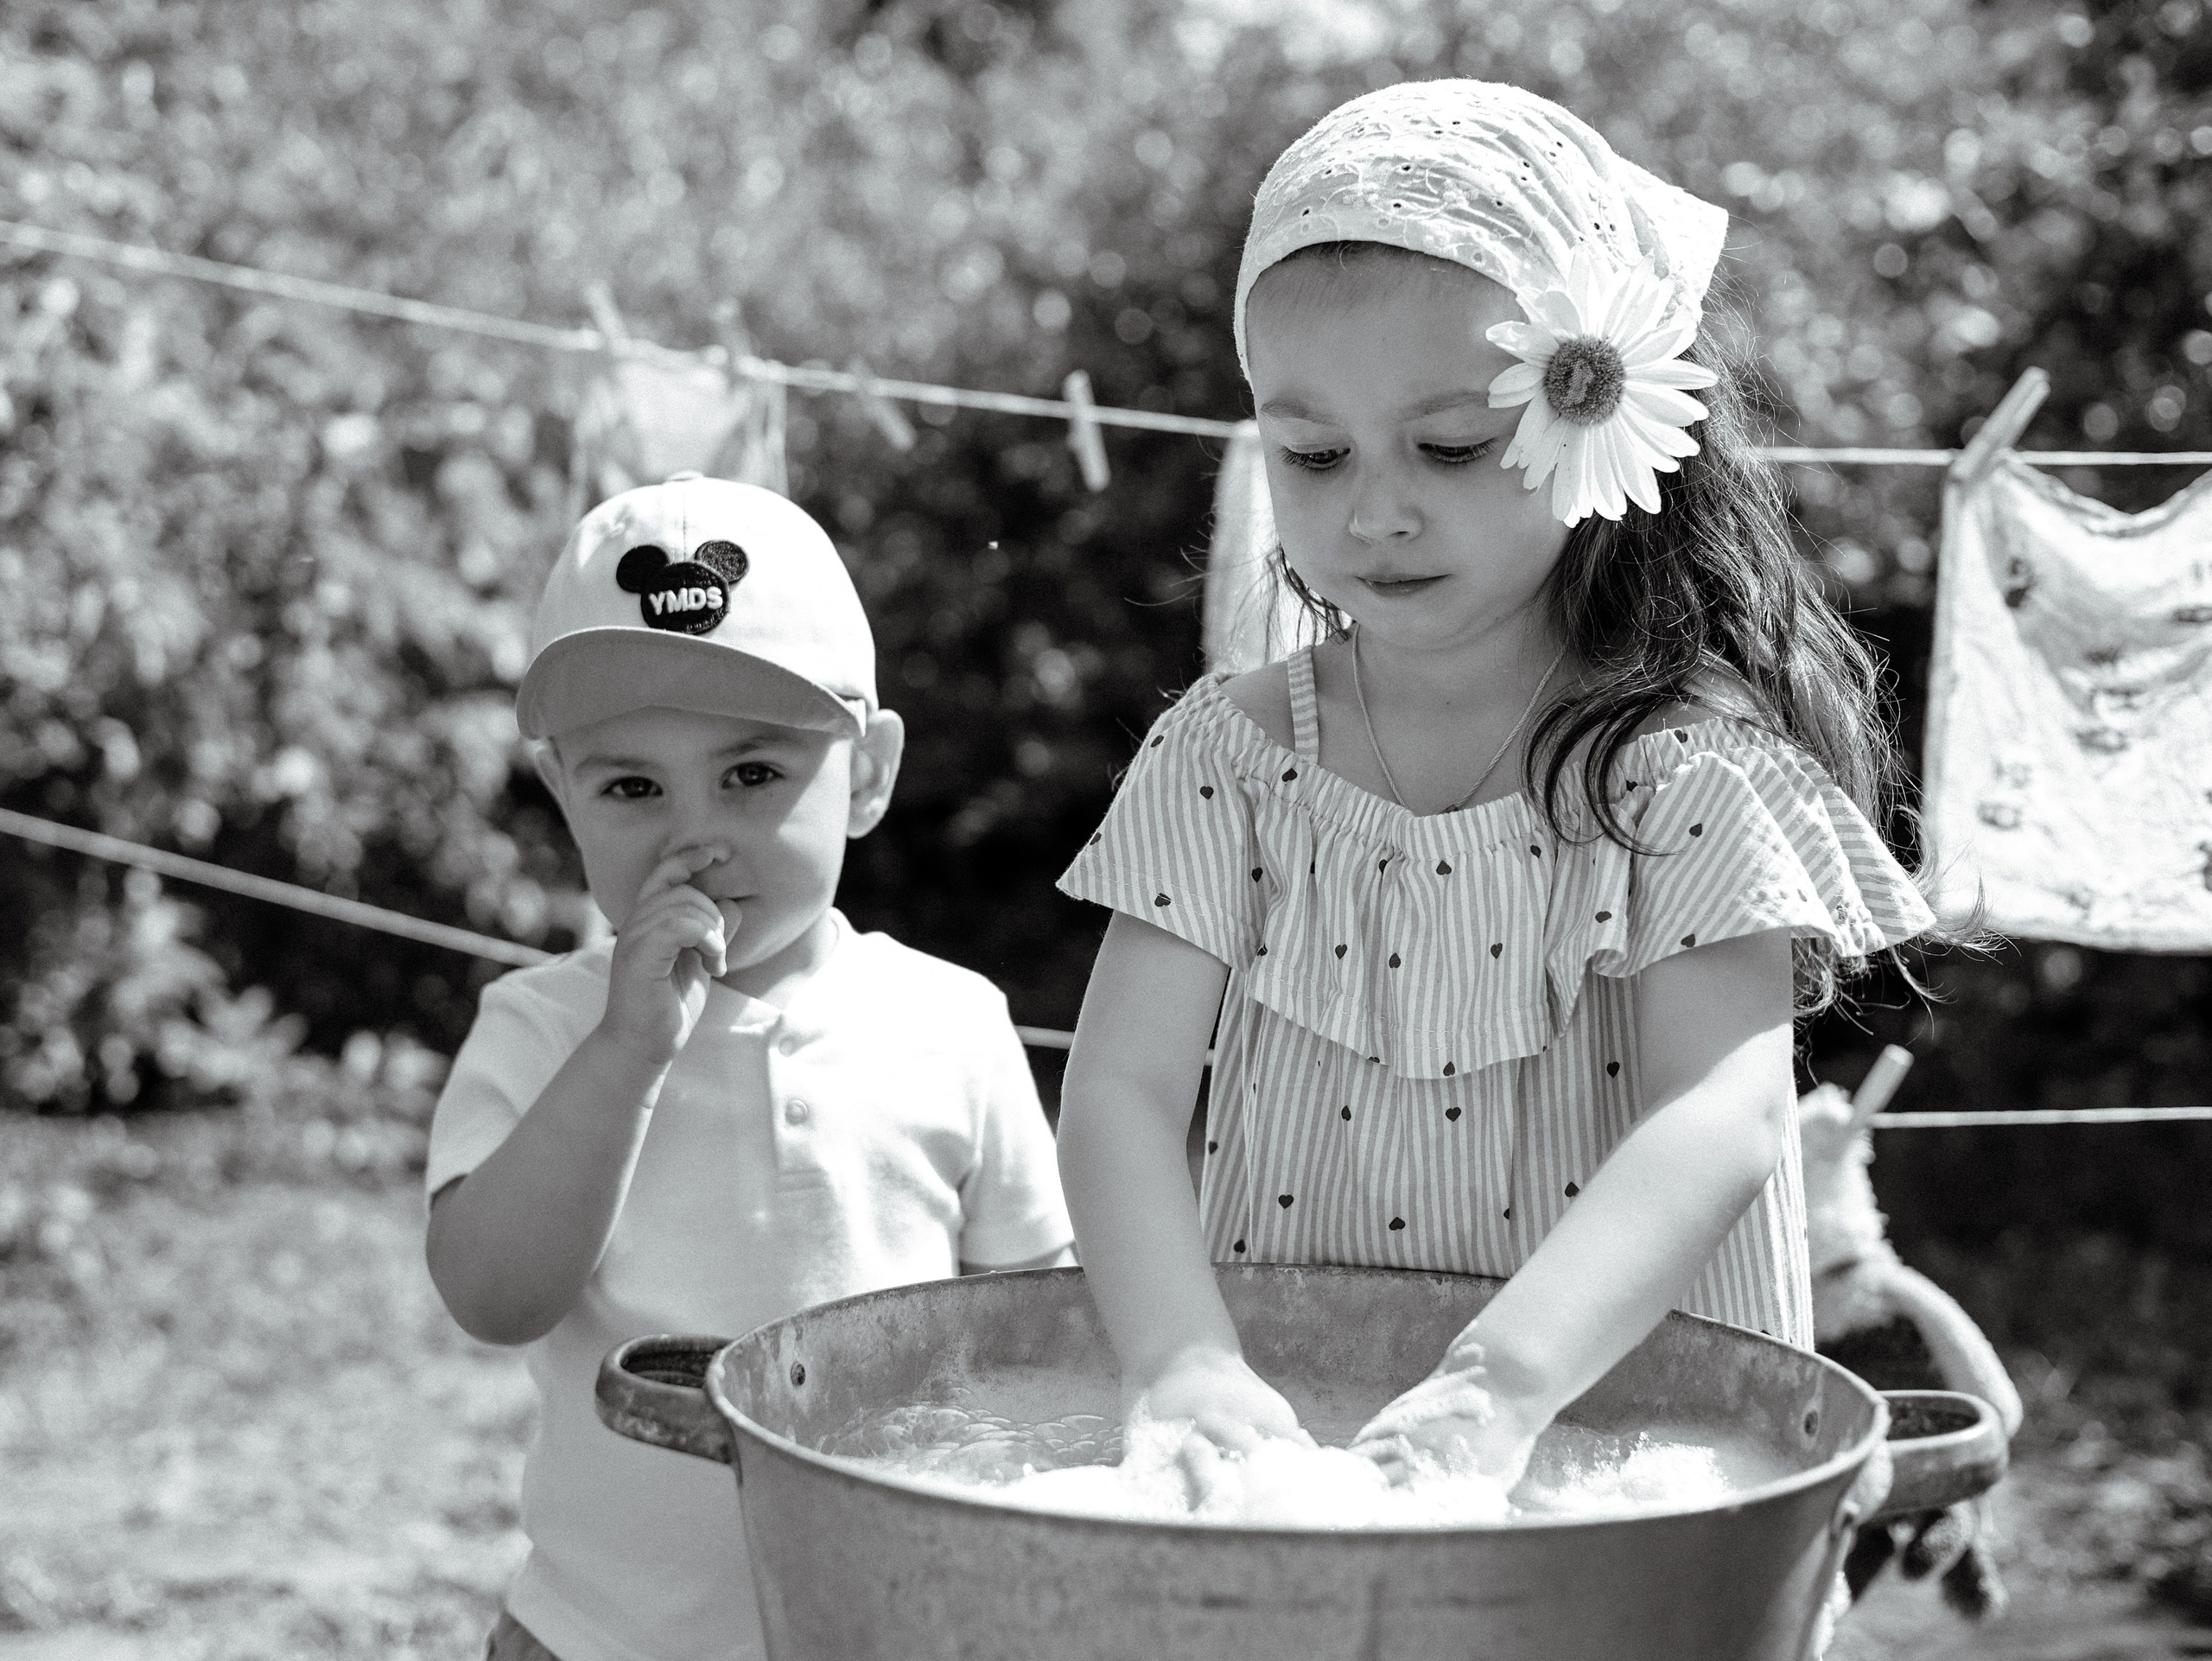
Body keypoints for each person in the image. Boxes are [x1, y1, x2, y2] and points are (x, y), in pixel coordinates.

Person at [1055, 80, 1936, 1491]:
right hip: (1289, 1419)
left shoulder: (1680, 772)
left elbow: (1721, 1117)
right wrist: (1182, 1360)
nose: (1374, 508)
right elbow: (1119, 1095)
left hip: (1625, 1435)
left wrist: (1496, 1383)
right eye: (1312, 451)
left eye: (1450, 445)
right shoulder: (1230, 756)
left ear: (1593, 412)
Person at [424, 474, 1074, 1661]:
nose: (696, 830)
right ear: (564, 795)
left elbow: (1045, 1331)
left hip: (900, 1624)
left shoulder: (951, 1022)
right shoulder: (540, 1027)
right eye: (632, 786)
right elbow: (490, 1293)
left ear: (866, 773)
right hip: (600, 1635)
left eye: (753, 773)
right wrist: (627, 1050)